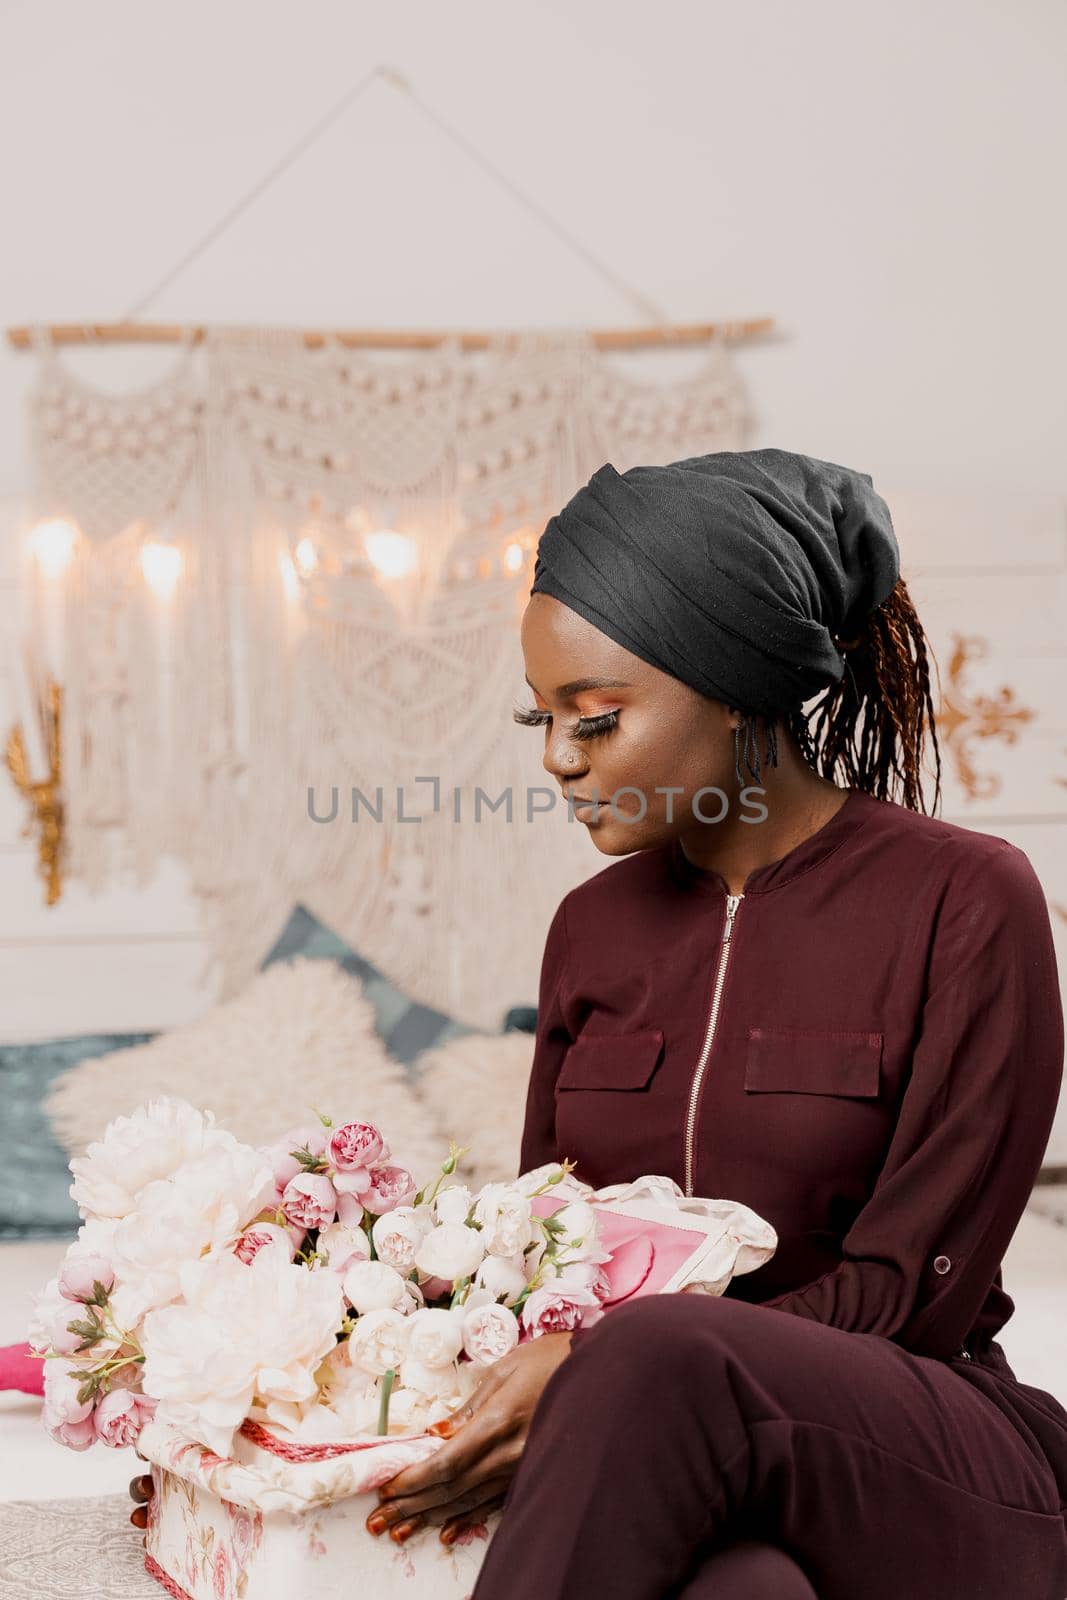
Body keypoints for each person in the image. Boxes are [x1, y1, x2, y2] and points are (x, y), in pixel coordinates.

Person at [130, 449, 1067, 1598]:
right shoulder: (590, 928)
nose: (557, 759)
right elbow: (543, 1259)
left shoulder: (964, 898)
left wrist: (601, 1362)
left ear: (737, 688)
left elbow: (908, 1293)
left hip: (921, 1444)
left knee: (663, 1351)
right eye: (543, 717)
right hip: (662, 1449)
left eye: (597, 716)